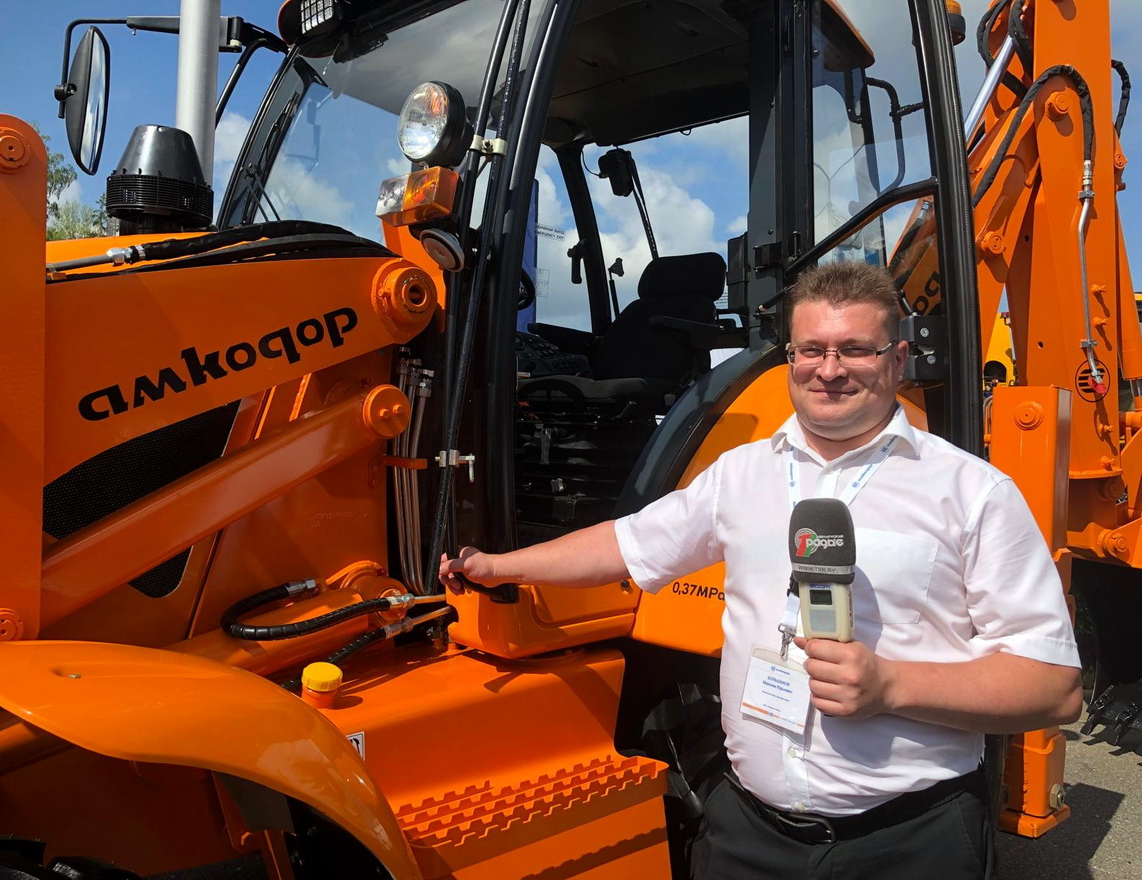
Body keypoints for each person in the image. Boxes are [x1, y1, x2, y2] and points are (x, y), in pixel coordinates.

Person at [439, 261, 1083, 880]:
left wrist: (891, 685)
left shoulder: (973, 493)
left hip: (909, 842)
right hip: (746, 834)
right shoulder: (740, 474)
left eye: (855, 349)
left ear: (898, 359)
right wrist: (501, 565)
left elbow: (1053, 687)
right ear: (790, 359)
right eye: (811, 350)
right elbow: (626, 545)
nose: (829, 369)